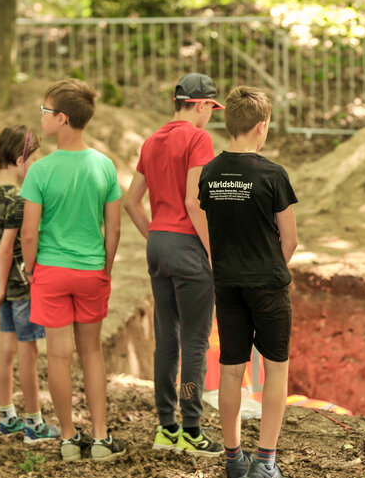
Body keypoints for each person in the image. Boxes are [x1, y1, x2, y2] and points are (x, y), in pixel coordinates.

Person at [20, 79, 126, 462]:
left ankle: (67, 438)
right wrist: (106, 268)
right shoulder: (104, 165)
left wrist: (30, 269)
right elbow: (112, 228)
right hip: (91, 271)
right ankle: (100, 438)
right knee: (92, 354)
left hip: (50, 271)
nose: (42, 118)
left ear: (62, 119)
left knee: (59, 358)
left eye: (45, 112)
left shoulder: (40, 171)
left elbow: (29, 232)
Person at [198, 86, 298, 478]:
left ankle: (233, 458)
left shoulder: (210, 172)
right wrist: (271, 267)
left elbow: (216, 225)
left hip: (227, 285)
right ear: (261, 127)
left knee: (230, 369)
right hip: (267, 285)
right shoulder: (273, 174)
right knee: (275, 368)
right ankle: (266, 462)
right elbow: (289, 240)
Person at [124, 72, 224, 457]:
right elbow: (194, 201)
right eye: (211, 109)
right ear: (199, 105)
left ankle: (166, 426)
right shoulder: (198, 139)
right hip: (188, 248)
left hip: (159, 246)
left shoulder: (152, 140)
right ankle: (192, 428)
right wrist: (213, 252)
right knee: (194, 343)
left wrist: (157, 238)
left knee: (166, 342)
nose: (211, 117)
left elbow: (132, 202)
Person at [0, 125, 59, 443]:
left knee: (7, 347)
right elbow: (5, 248)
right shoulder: (18, 198)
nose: (38, 164)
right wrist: (0, 289)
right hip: (22, 288)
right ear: (19, 159)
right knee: (29, 353)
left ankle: (6, 415)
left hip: (3, 283)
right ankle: (34, 424)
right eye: (36, 158)